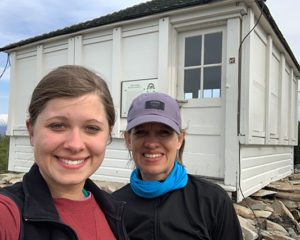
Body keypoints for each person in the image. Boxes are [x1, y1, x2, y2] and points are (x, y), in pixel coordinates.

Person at [0, 65, 128, 240]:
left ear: (108, 134)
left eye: (91, 128)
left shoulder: (113, 211)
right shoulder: (7, 214)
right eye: (57, 126)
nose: (75, 145)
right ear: (31, 132)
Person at [113, 92, 243, 240]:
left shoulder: (212, 200)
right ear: (128, 140)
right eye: (141, 133)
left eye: (164, 133)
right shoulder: (114, 206)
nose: (151, 143)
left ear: (179, 140)